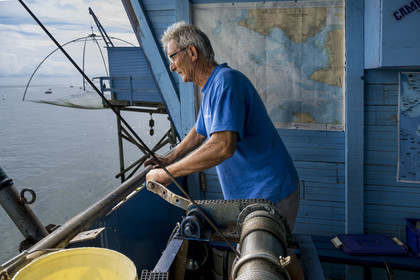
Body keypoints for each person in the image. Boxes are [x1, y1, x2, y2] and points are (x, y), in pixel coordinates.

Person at [145, 21, 304, 280]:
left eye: (173, 57)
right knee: (274, 254)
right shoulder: (210, 88)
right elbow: (200, 131)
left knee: (271, 258)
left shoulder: (226, 83)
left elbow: (222, 146)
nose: (172, 66)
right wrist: (168, 158)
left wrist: (166, 175)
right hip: (254, 195)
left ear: (192, 53)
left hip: (271, 191)